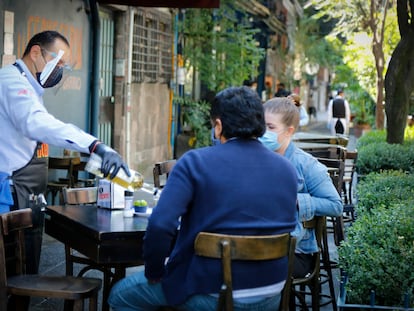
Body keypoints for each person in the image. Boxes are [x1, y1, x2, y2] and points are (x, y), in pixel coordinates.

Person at [108, 86, 298, 311]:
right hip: (271, 291)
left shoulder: (195, 162)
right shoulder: (287, 169)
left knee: (120, 295)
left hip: (210, 290)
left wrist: (155, 272)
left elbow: (160, 225)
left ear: (218, 126)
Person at [0, 30, 130, 277]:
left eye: (64, 66)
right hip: (9, 193)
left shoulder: (29, 86)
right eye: (58, 62)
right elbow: (36, 123)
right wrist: (95, 146)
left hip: (25, 192)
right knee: (9, 273)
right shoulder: (11, 82)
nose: (60, 71)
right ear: (36, 52)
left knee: (23, 270)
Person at [259, 97, 343, 278]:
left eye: (271, 127)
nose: (264, 132)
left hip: (295, 252)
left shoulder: (306, 164)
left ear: (289, 131)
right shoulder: (254, 159)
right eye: (261, 126)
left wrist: (295, 200)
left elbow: (336, 205)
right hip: (256, 243)